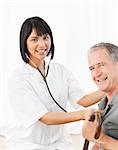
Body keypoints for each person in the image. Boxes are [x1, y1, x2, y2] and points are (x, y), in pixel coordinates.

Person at [6, 16, 103, 150]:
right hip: (27, 145)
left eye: (45, 38)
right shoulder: (17, 78)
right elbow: (45, 118)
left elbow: (83, 100)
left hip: (60, 144)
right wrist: (83, 114)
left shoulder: (60, 70)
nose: (42, 45)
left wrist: (111, 87)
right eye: (34, 39)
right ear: (24, 43)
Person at [82, 42, 118, 150]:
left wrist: (100, 138)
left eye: (101, 65)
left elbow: (101, 140)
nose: (96, 74)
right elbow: (98, 145)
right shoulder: (104, 102)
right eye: (92, 68)